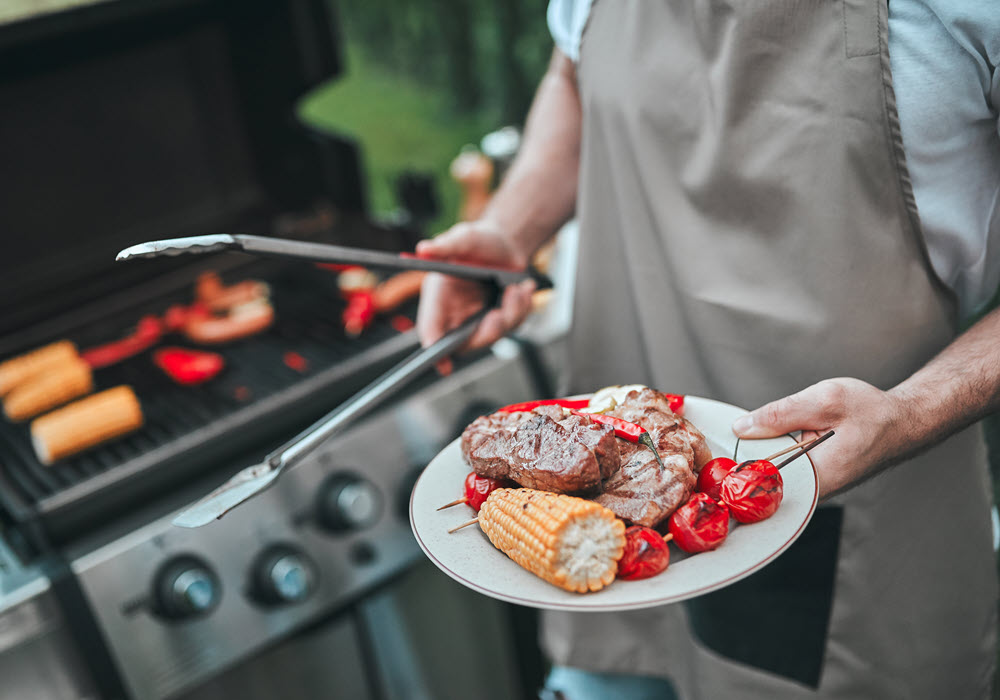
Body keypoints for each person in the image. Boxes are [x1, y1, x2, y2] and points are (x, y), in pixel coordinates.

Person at [415, 0, 1000, 697]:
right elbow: (573, 78)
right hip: (591, 520)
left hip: (847, 508)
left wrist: (913, 413)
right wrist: (512, 227)